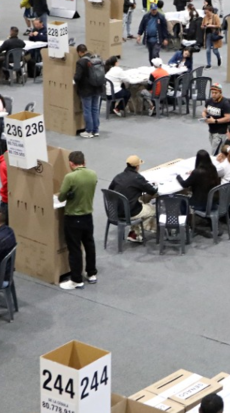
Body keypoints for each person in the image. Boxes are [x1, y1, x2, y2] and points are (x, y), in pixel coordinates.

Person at [58, 151, 99, 289]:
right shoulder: (93, 174)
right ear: (84, 161)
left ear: (71, 163)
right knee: (89, 245)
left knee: (75, 249)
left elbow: (61, 197)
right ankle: (91, 273)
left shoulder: (70, 177)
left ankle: (76, 279)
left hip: (73, 217)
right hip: (88, 216)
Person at [108, 155, 158, 243]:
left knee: (141, 203)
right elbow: (152, 191)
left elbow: (110, 191)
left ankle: (134, 232)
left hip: (116, 211)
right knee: (152, 210)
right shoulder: (137, 178)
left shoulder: (118, 177)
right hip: (130, 212)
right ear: (137, 166)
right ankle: (137, 233)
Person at [74, 45, 105, 138]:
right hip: (97, 88)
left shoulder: (81, 62)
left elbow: (77, 77)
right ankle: (96, 130)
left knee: (87, 110)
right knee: (95, 109)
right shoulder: (95, 59)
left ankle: (89, 131)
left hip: (86, 90)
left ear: (79, 52)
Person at [202, 83, 230, 151]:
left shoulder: (225, 103)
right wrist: (205, 118)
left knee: (215, 153)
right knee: (216, 150)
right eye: (212, 93)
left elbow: (228, 118)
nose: (213, 95)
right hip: (211, 131)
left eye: (216, 93)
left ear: (220, 92)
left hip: (220, 132)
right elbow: (204, 111)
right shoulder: (209, 101)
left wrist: (215, 121)